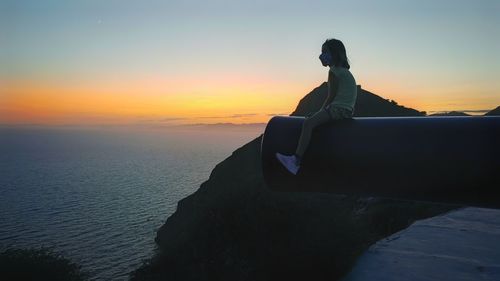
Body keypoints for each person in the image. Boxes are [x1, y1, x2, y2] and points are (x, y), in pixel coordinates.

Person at [275, 38, 357, 175]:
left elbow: (331, 97)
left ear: (334, 53)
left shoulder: (334, 72)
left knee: (308, 123)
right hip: (347, 110)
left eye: (325, 52)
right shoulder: (345, 71)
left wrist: (320, 112)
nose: (321, 55)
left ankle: (296, 160)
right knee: (314, 120)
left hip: (338, 109)